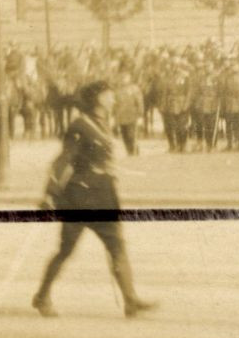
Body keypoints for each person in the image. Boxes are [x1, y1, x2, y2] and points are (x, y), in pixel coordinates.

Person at [31, 81, 157, 319]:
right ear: (98, 98)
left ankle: (130, 300)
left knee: (116, 244)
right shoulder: (80, 125)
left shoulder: (102, 124)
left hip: (102, 195)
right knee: (66, 250)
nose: (113, 100)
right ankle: (41, 296)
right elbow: (64, 159)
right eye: (110, 95)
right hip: (80, 198)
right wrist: (50, 193)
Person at [112, 71, 144, 155]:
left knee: (131, 135)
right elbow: (114, 104)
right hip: (121, 117)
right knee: (124, 136)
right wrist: (114, 116)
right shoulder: (117, 90)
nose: (123, 80)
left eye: (125, 78)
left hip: (132, 116)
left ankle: (135, 152)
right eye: (122, 79)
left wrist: (140, 116)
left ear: (129, 79)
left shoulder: (134, 89)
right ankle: (129, 152)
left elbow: (139, 103)